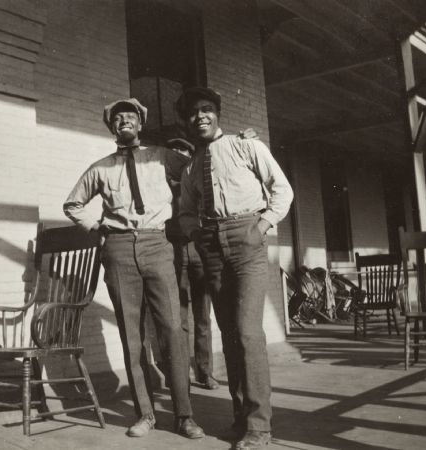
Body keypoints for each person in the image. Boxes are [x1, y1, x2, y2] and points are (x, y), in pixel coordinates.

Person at [63, 98, 204, 439]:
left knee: (172, 328)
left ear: (140, 124)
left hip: (158, 245)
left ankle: (184, 415)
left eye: (131, 116)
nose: (124, 121)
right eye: (117, 118)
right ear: (112, 127)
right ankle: (145, 414)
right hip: (119, 248)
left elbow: (198, 170)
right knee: (132, 334)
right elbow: (73, 204)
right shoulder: (100, 168)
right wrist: (96, 228)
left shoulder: (163, 156)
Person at [177, 87, 294, 450]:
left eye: (207, 109)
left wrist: (261, 226)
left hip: (247, 239)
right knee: (228, 336)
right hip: (211, 244)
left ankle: (260, 427)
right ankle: (241, 417)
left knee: (247, 333)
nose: (201, 117)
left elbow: (282, 190)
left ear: (217, 114)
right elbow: (184, 211)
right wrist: (197, 234)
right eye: (194, 112)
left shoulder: (247, 146)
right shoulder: (192, 165)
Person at [165, 137, 219, 391]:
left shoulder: (196, 180)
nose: (178, 155)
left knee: (202, 317)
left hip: (197, 249)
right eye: (173, 152)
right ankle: (180, 374)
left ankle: (205, 372)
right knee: (178, 318)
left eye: (183, 152)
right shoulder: (160, 184)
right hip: (173, 250)